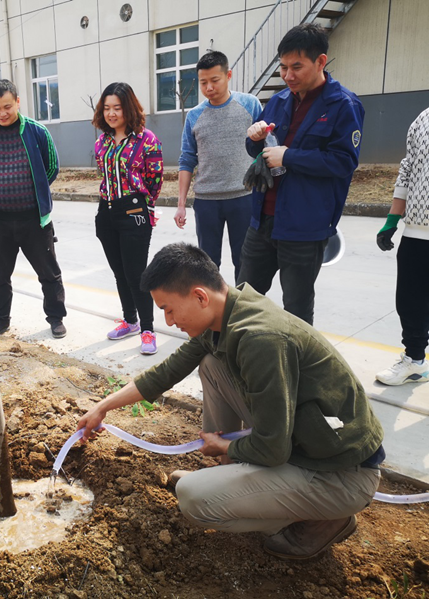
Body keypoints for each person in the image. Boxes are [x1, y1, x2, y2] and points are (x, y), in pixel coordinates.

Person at [78, 243, 385, 560]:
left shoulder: (260, 339)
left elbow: (273, 448)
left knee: (193, 498)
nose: (168, 321)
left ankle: (323, 519)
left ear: (200, 296)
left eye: (169, 309)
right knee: (212, 365)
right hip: (307, 439)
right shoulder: (229, 312)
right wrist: (104, 407)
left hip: (341, 474)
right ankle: (235, 477)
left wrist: (224, 446)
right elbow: (166, 372)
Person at [238, 23, 364, 325]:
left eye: (297, 67)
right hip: (262, 220)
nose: (288, 76)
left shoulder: (343, 105)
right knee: (242, 299)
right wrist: (254, 138)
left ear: (320, 61)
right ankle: (238, 363)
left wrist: (289, 157)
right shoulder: (279, 101)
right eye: (283, 67)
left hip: (305, 226)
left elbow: (342, 162)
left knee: (296, 309)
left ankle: (296, 369)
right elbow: (257, 151)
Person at [0, 79, 67, 339]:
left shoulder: (36, 131)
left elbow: (51, 168)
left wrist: (32, 190)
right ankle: (0, 320)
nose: (2, 113)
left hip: (35, 220)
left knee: (49, 273)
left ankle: (56, 318)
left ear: (18, 103)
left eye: (8, 107)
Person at [175, 51, 262, 283]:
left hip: (243, 197)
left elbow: (265, 146)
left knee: (245, 260)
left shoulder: (250, 105)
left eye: (215, 80)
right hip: (207, 201)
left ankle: (242, 311)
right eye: (203, 82)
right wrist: (181, 204)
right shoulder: (194, 116)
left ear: (228, 75)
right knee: (207, 264)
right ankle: (212, 314)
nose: (209, 87)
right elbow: (186, 160)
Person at [93, 82, 164, 355]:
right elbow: (104, 175)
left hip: (134, 210)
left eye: (117, 108)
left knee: (137, 273)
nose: (111, 113)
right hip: (107, 210)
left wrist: (145, 206)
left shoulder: (147, 140)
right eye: (107, 108)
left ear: (128, 108)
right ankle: (130, 321)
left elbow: (155, 179)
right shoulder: (103, 141)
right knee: (119, 271)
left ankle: (147, 329)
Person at [375, 108, 429, 386]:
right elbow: (408, 169)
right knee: (409, 302)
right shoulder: (423, 119)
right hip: (418, 230)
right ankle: (415, 361)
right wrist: (392, 220)